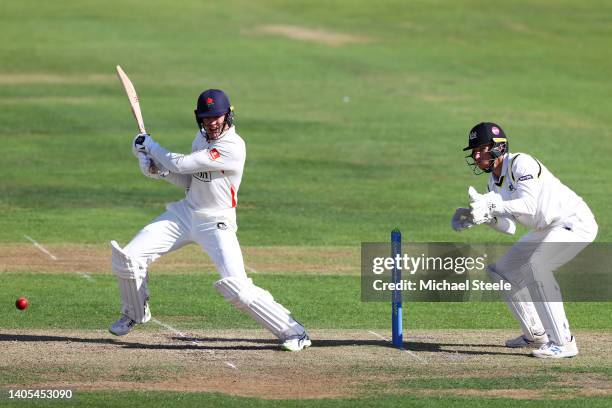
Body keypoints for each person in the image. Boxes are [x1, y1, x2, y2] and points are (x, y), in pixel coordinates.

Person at [108, 89, 311, 352]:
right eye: (206, 118)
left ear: (228, 115)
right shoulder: (201, 139)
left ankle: (295, 332)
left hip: (217, 222)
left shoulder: (232, 147)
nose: (211, 123)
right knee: (129, 257)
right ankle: (134, 313)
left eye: (216, 117)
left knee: (237, 287)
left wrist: (150, 146)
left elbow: (180, 164)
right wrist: (158, 171)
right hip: (186, 212)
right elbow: (187, 178)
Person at [451, 122, 597, 358]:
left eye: (481, 148)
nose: (476, 155)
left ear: (498, 146)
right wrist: (480, 217)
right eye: (474, 151)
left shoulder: (521, 163)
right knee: (501, 271)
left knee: (537, 266)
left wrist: (492, 204)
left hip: (573, 222)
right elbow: (509, 226)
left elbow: (529, 206)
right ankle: (535, 334)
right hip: (545, 227)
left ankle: (564, 342)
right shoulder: (492, 182)